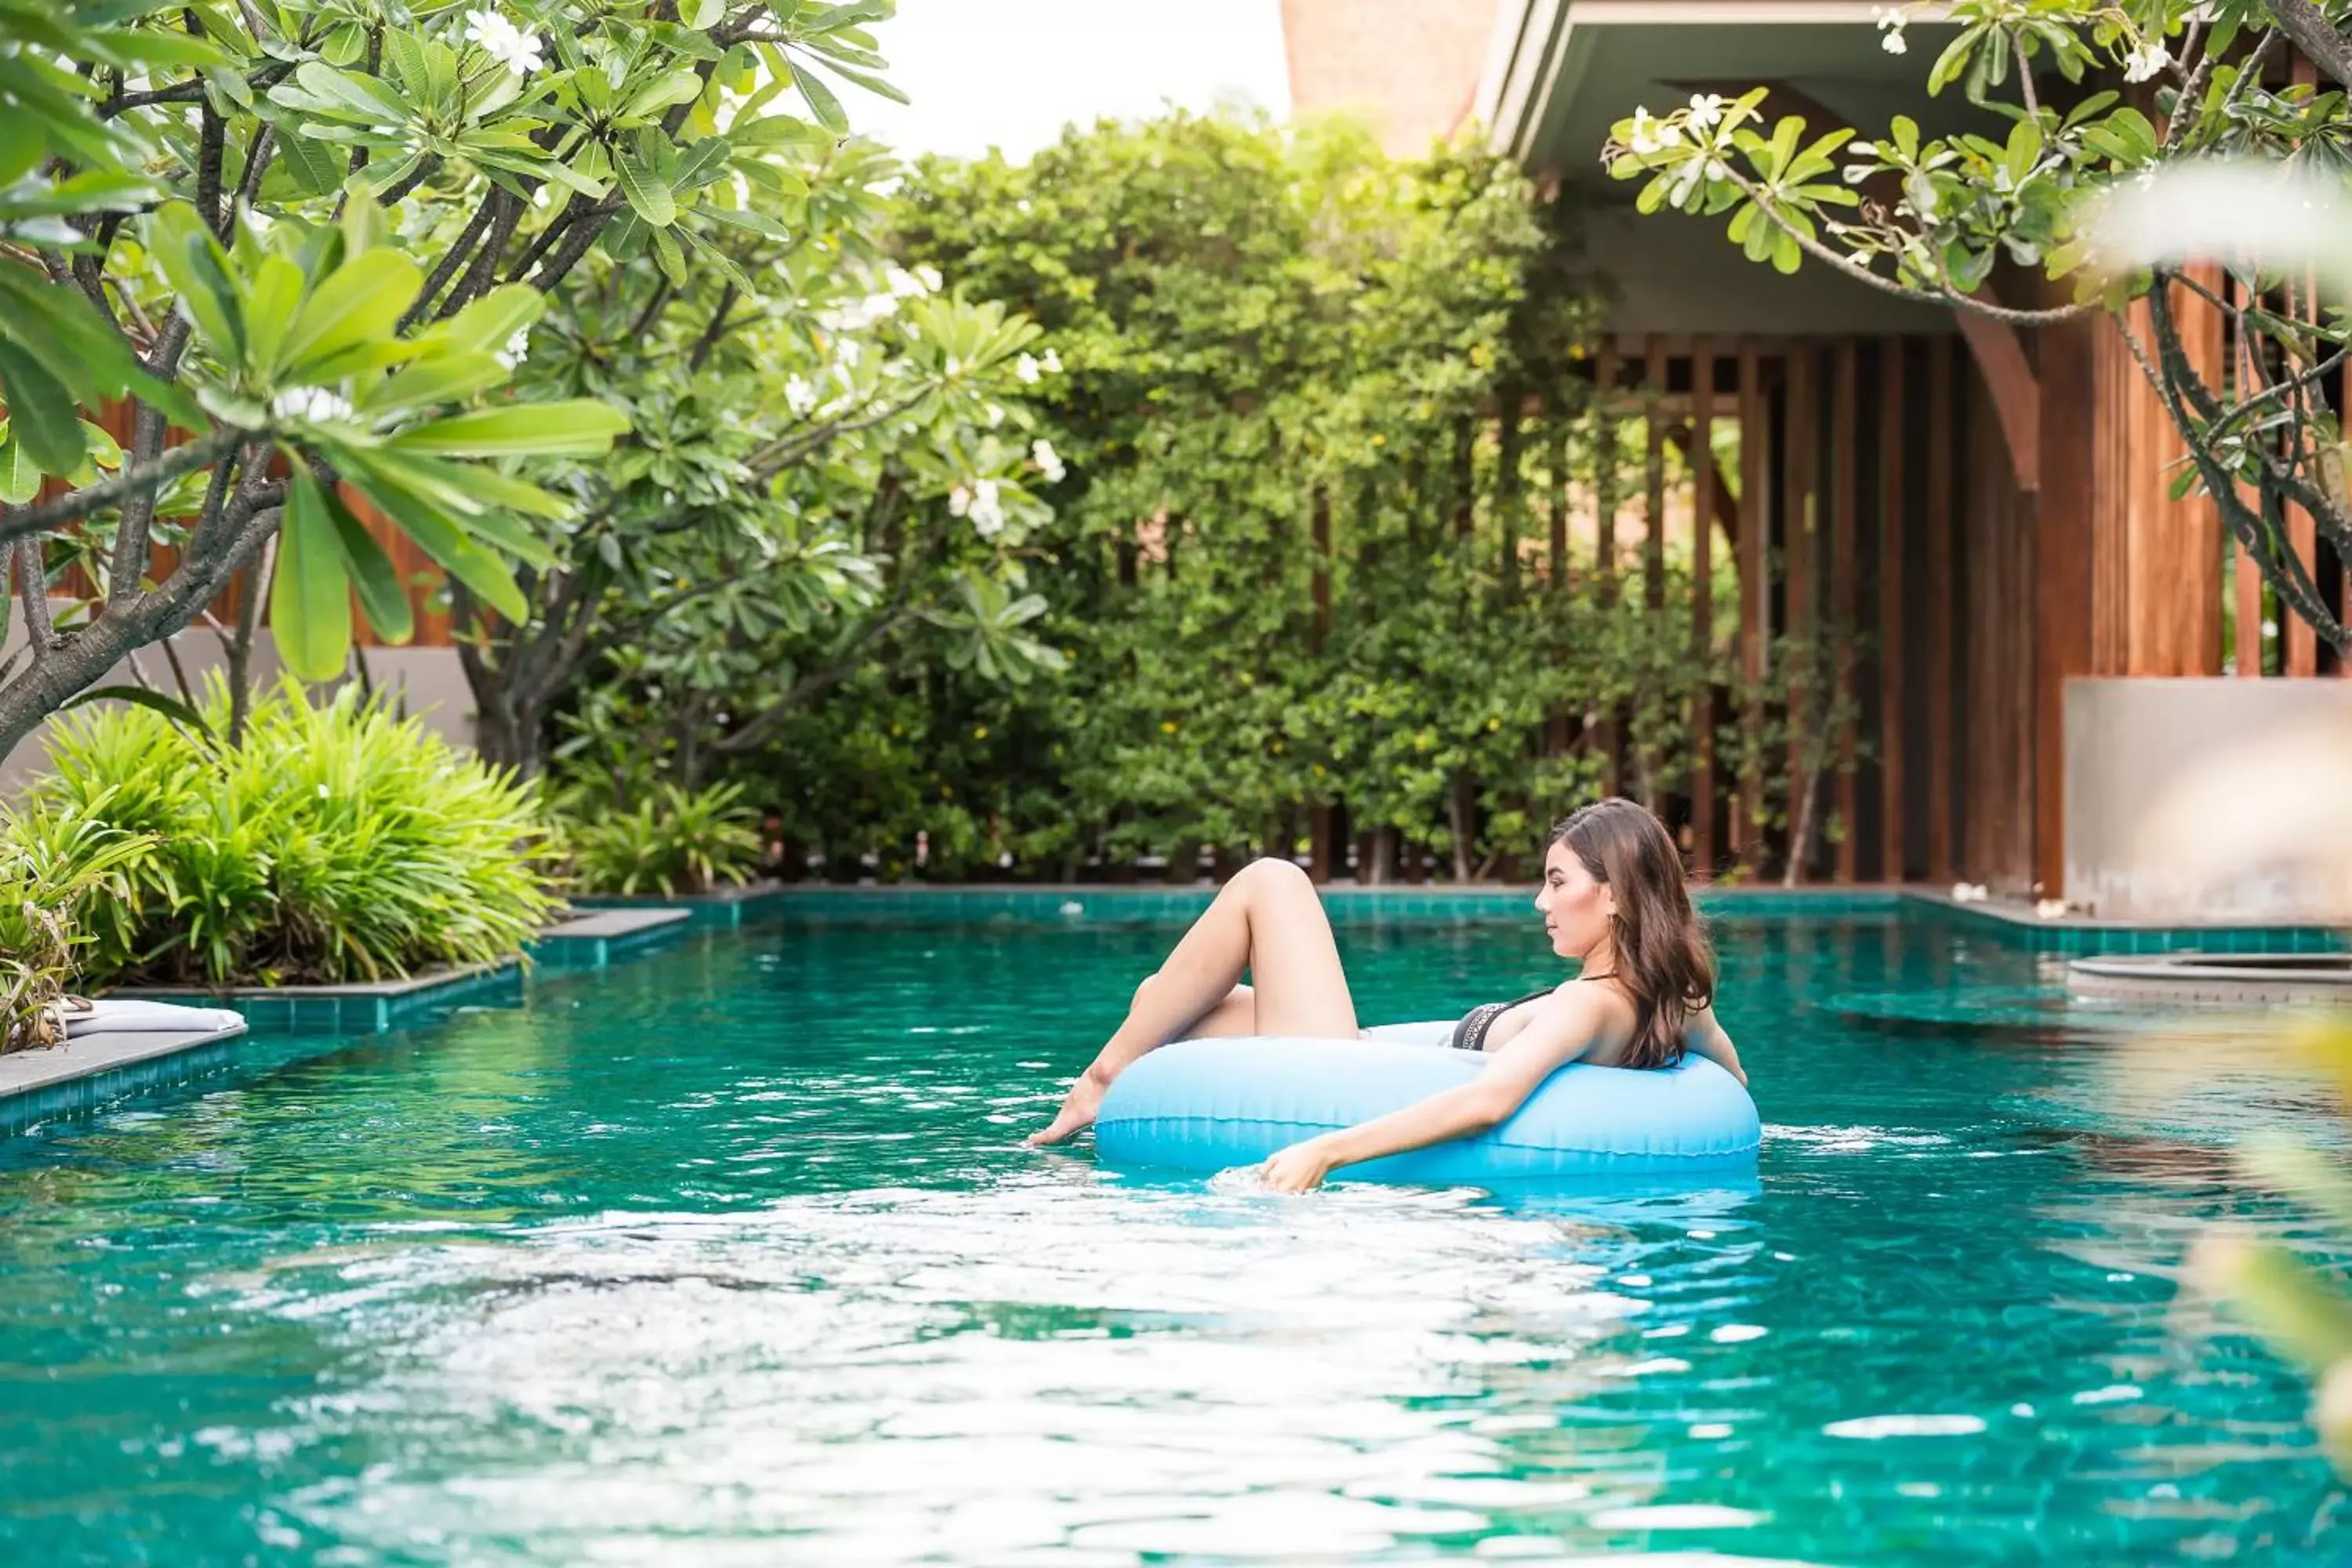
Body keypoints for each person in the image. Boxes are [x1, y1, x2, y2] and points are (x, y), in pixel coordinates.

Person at [1026, 797, 1746, 1192]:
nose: (1539, 902)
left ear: (1614, 895)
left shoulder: (1588, 1006)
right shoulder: (1678, 998)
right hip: (1373, 1052)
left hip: (1339, 1073)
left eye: (1557, 882)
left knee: (1272, 881)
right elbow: (1734, 1085)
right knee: (1167, 996)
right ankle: (1115, 1068)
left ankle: (1103, 1077)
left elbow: (1485, 1103)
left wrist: (1328, 1152)